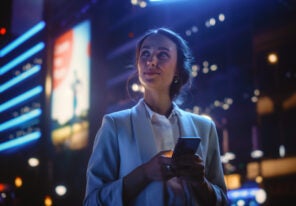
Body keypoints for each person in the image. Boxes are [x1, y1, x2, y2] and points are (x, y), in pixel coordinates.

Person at [84, 28, 228, 206]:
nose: (151, 61)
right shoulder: (114, 125)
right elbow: (92, 201)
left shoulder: (205, 127)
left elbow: (222, 201)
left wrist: (199, 182)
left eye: (163, 55)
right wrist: (144, 173)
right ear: (137, 66)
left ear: (178, 69)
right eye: (145, 54)